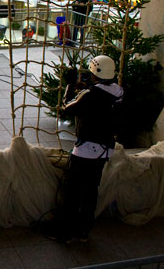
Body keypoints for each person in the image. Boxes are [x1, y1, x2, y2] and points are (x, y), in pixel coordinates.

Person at [46, 55, 123, 243]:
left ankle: (65, 233)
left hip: (86, 151)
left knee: (72, 192)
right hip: (105, 150)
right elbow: (101, 100)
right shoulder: (118, 92)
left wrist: (71, 86)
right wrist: (87, 89)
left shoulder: (90, 96)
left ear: (94, 73)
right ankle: (83, 232)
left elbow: (67, 109)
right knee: (90, 192)